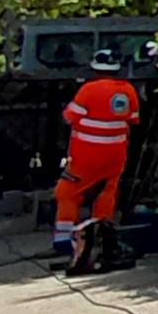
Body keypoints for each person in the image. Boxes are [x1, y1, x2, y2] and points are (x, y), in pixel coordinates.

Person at [55, 71, 140, 271]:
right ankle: (101, 239)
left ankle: (64, 242)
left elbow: (69, 117)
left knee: (67, 192)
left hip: (86, 156)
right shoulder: (128, 90)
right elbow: (133, 119)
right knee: (107, 193)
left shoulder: (89, 89)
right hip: (116, 155)